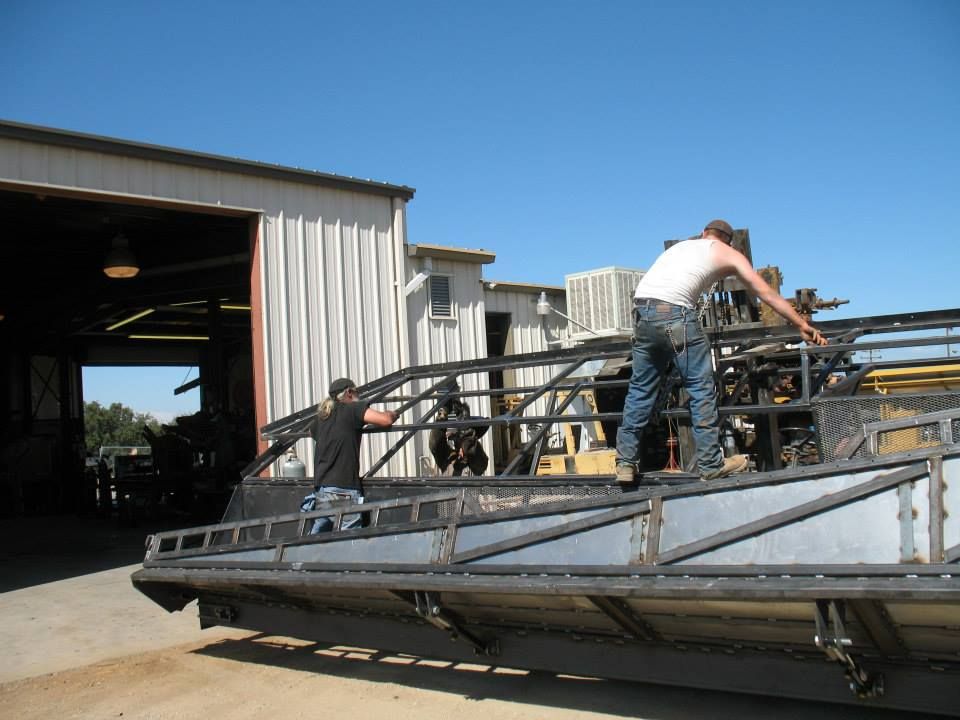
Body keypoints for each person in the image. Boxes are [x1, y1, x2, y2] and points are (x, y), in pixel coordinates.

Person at [615, 219, 829, 483]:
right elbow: (765, 293)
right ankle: (709, 463)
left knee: (640, 389)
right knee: (701, 388)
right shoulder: (728, 253)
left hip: (641, 315)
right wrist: (801, 324)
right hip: (677, 316)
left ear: (704, 232)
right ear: (728, 241)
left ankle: (625, 463)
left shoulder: (680, 248)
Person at [300, 377, 398, 532]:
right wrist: (393, 413)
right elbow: (385, 420)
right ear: (349, 392)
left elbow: (311, 431)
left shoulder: (322, 416)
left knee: (317, 545)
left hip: (322, 490)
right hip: (343, 490)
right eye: (357, 391)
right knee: (350, 543)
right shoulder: (353, 409)